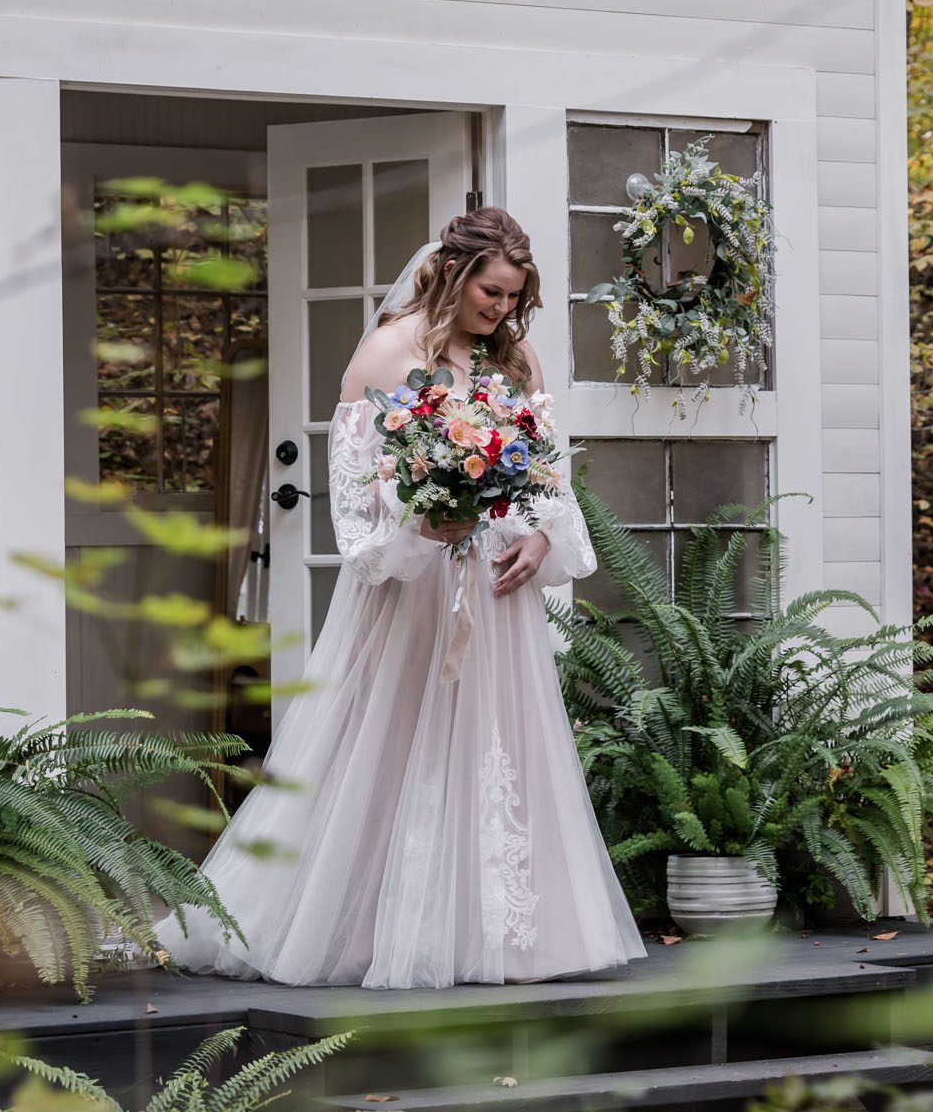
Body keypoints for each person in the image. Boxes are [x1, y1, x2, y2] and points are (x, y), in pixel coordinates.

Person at [156, 208, 647, 989]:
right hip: (412, 589)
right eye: (492, 292)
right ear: (453, 273)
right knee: (390, 746)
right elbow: (354, 512)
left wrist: (544, 537)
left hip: (496, 592)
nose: (501, 311)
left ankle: (504, 936)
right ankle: (361, 927)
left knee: (497, 748)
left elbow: (550, 476)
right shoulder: (385, 355)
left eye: (514, 298)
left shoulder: (514, 362)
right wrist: (426, 524)